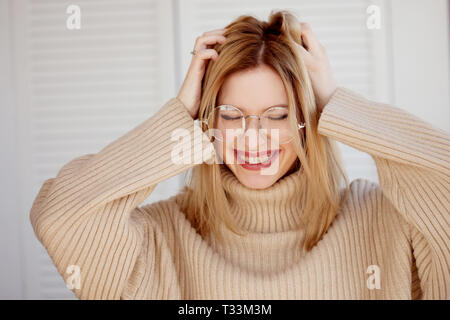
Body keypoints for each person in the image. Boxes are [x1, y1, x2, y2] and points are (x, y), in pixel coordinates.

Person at [29, 10, 449, 299]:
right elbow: (59, 215)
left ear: (309, 117)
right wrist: (177, 120)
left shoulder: (384, 220)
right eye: (231, 115)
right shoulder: (164, 235)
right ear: (208, 118)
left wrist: (337, 101)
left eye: (278, 114)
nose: (252, 139)